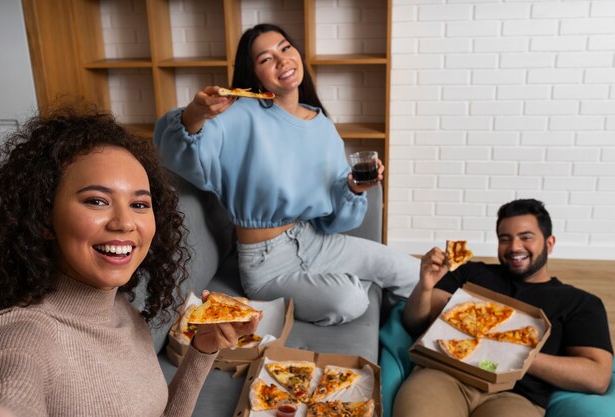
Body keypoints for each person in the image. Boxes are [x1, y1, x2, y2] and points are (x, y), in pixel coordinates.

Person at [0, 105, 261, 417]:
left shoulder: (122, 310)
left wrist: (203, 349)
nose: (125, 222)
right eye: (96, 201)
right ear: (43, 218)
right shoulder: (21, 339)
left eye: (139, 204)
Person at [153, 23, 419, 326]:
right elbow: (175, 151)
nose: (282, 61)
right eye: (265, 59)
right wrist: (195, 114)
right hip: (265, 262)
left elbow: (335, 220)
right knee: (351, 300)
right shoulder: (237, 115)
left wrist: (355, 189)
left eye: (285, 48)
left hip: (317, 240)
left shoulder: (322, 127)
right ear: (253, 74)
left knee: (412, 272)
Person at [396, 199, 613, 417]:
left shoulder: (580, 302)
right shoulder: (471, 273)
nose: (515, 247)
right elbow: (415, 321)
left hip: (515, 397)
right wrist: (425, 286)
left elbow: (597, 377)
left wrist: (512, 351)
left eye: (526, 237)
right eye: (505, 239)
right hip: (443, 376)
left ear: (549, 243)